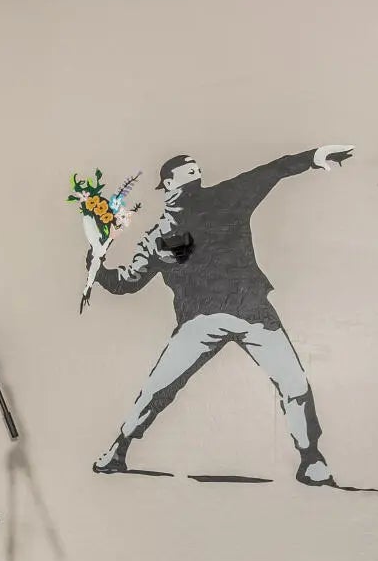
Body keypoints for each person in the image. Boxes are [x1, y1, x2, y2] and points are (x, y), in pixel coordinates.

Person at [91, 144, 353, 485]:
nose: (194, 172)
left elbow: (271, 171)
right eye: (187, 169)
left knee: (292, 382)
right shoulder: (161, 234)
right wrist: (98, 270)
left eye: (194, 169)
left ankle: (311, 459)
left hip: (249, 313)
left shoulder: (222, 200)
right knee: (159, 387)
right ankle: (119, 449)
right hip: (208, 320)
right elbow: (128, 282)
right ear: (170, 183)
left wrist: (314, 157)